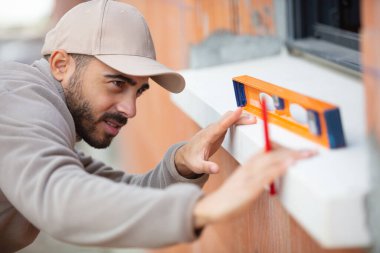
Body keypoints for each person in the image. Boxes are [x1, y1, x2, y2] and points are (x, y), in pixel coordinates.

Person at [0, 0, 316, 252]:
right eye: (115, 83)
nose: (130, 109)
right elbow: (61, 198)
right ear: (60, 65)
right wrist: (205, 209)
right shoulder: (17, 100)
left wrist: (182, 165)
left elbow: (115, 195)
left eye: (138, 90)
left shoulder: (46, 121)